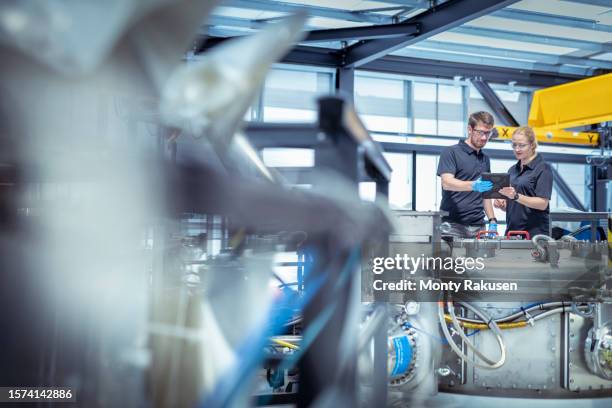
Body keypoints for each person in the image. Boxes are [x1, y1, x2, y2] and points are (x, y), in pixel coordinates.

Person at [437, 111, 497, 239]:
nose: (484, 138)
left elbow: (486, 194)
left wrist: (492, 219)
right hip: (453, 225)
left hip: (479, 225)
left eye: (488, 133)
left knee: (479, 260)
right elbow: (447, 183)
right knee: (450, 260)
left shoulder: (485, 159)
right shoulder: (450, 152)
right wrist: (473, 185)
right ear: (470, 129)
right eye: (480, 132)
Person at [494, 126, 553, 238]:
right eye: (514, 145)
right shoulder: (512, 170)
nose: (517, 149)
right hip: (512, 233)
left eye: (522, 145)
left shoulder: (543, 168)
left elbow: (542, 204)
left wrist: (515, 196)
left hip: (534, 235)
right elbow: (516, 204)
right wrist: (503, 204)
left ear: (532, 145)